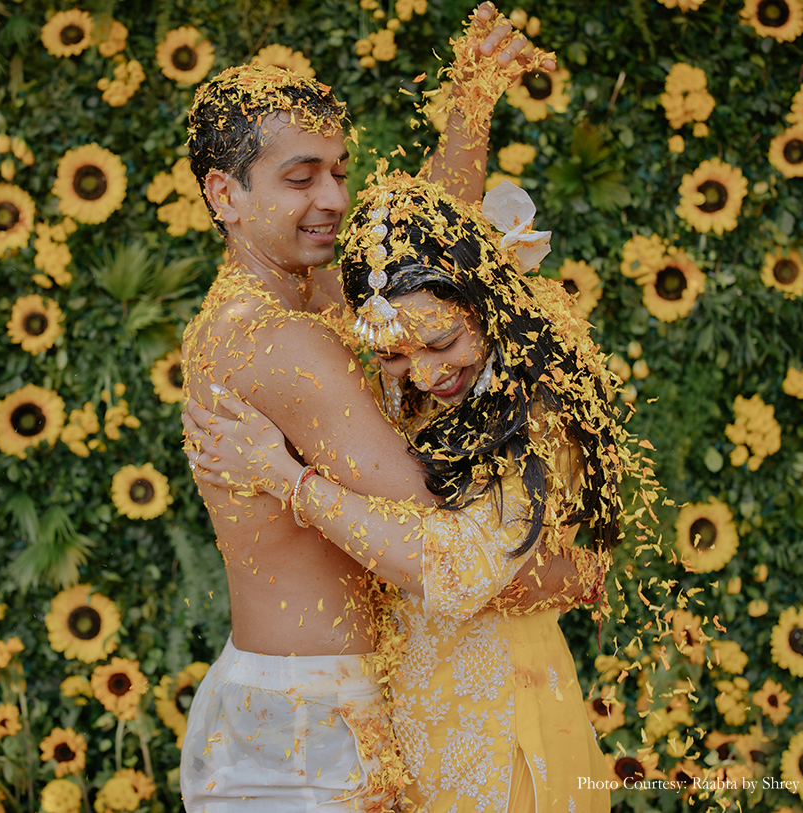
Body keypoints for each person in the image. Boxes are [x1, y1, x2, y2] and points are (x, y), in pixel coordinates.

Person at [175, 7, 577, 810]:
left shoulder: (291, 291)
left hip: (314, 701)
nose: (332, 196)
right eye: (301, 177)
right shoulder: (283, 341)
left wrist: (470, 104)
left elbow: (412, 252)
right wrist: (552, 550)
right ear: (225, 193)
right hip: (309, 726)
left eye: (337, 169)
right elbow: (437, 517)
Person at [184, 170, 638, 811]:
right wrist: (466, 102)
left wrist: (289, 480)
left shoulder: (533, 410)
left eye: (442, 342)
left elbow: (457, 565)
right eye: (394, 357)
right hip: (416, 727)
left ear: (485, 300)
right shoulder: (438, 382)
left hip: (503, 726)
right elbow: (422, 221)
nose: (426, 373)